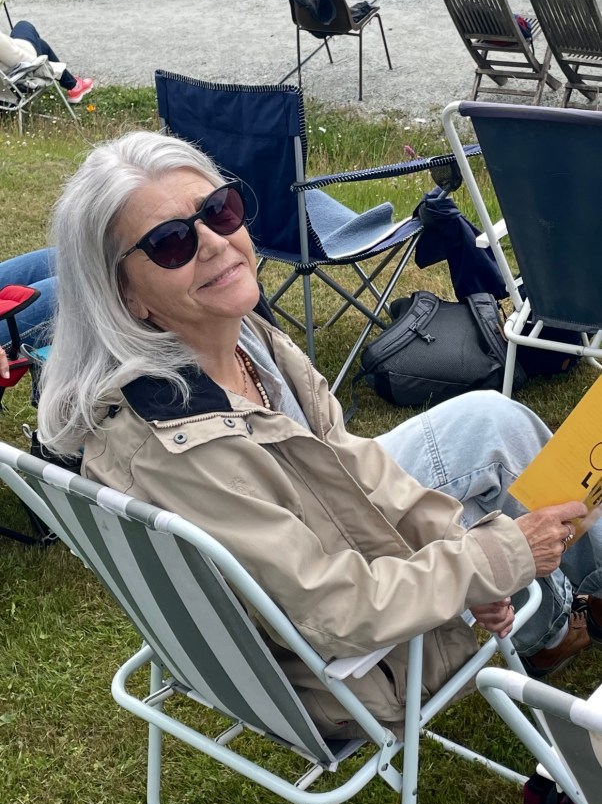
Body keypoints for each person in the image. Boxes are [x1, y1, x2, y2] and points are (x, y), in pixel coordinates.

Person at [31, 131, 602, 736]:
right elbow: (336, 611)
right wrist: (495, 556)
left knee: (492, 420)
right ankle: (560, 616)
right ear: (126, 296)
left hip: (325, 535)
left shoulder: (245, 339)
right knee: (506, 510)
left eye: (218, 210)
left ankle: (563, 612)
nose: (215, 243)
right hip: (352, 669)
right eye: (170, 242)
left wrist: (471, 555)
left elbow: (354, 465)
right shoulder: (177, 448)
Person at [0, 21, 93, 104]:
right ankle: (73, 85)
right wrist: (41, 61)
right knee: (25, 26)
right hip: (17, 76)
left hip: (5, 78)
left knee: (32, 37)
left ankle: (73, 84)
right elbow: (25, 60)